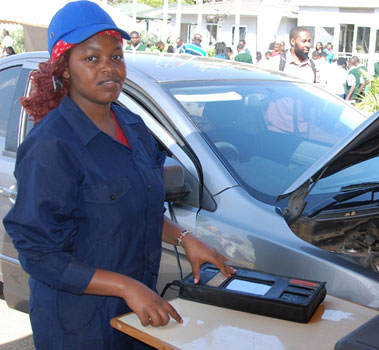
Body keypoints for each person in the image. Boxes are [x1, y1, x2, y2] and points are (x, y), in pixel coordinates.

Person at [3, 2, 234, 349]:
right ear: (64, 69)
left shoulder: (134, 128)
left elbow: (136, 212)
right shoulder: (51, 146)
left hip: (136, 313)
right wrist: (126, 287)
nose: (109, 68)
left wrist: (185, 238)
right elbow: (39, 255)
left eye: (116, 57)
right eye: (91, 58)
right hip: (77, 325)